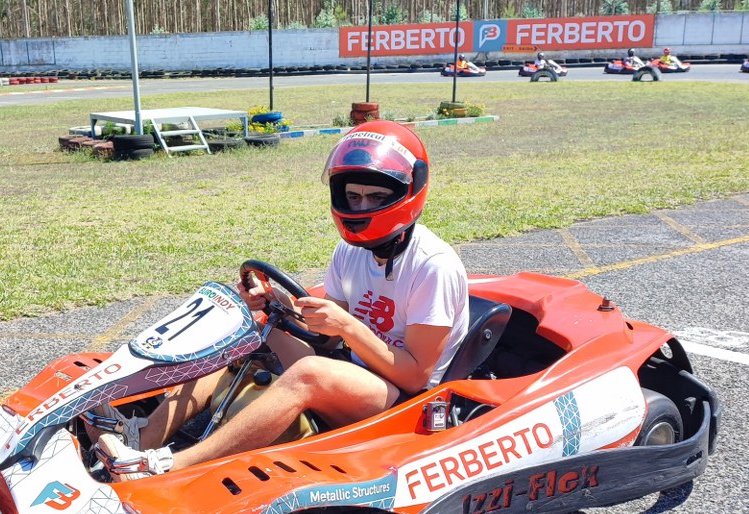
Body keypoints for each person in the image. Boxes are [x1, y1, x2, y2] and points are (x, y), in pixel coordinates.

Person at [94, 120, 471, 480]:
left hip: (406, 400)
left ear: (406, 195)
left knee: (310, 375)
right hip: (355, 368)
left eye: (375, 197)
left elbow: (415, 373)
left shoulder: (433, 266)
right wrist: (279, 305)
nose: (360, 208)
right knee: (238, 338)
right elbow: (328, 334)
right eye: (352, 197)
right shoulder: (350, 250)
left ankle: (171, 466)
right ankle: (140, 443)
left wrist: (348, 328)